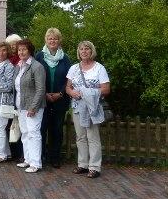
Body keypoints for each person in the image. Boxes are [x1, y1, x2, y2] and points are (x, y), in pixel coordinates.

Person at [66, 40, 111, 179]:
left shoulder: (99, 68)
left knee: (93, 137)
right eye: (81, 49)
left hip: (92, 108)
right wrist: (72, 93)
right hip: (77, 107)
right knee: (80, 137)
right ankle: (83, 164)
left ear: (92, 51)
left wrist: (89, 92)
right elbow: (68, 87)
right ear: (78, 52)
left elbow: (106, 89)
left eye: (87, 49)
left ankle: (95, 167)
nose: (84, 51)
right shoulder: (74, 68)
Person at [35, 28, 71, 168]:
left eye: (55, 38)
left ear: (59, 40)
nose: (52, 41)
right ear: (46, 40)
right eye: (50, 38)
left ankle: (55, 157)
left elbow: (70, 79)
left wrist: (60, 93)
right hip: (42, 99)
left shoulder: (65, 58)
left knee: (56, 129)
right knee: (41, 128)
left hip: (60, 99)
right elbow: (35, 77)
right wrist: (43, 93)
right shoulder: (39, 56)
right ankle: (41, 156)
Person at [13, 39, 46, 173]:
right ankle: (27, 159)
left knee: (33, 133)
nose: (21, 52)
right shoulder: (18, 66)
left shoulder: (37, 66)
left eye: (24, 49)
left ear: (30, 51)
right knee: (25, 133)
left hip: (33, 106)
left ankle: (36, 163)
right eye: (19, 50)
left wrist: (33, 107)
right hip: (21, 105)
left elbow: (40, 89)